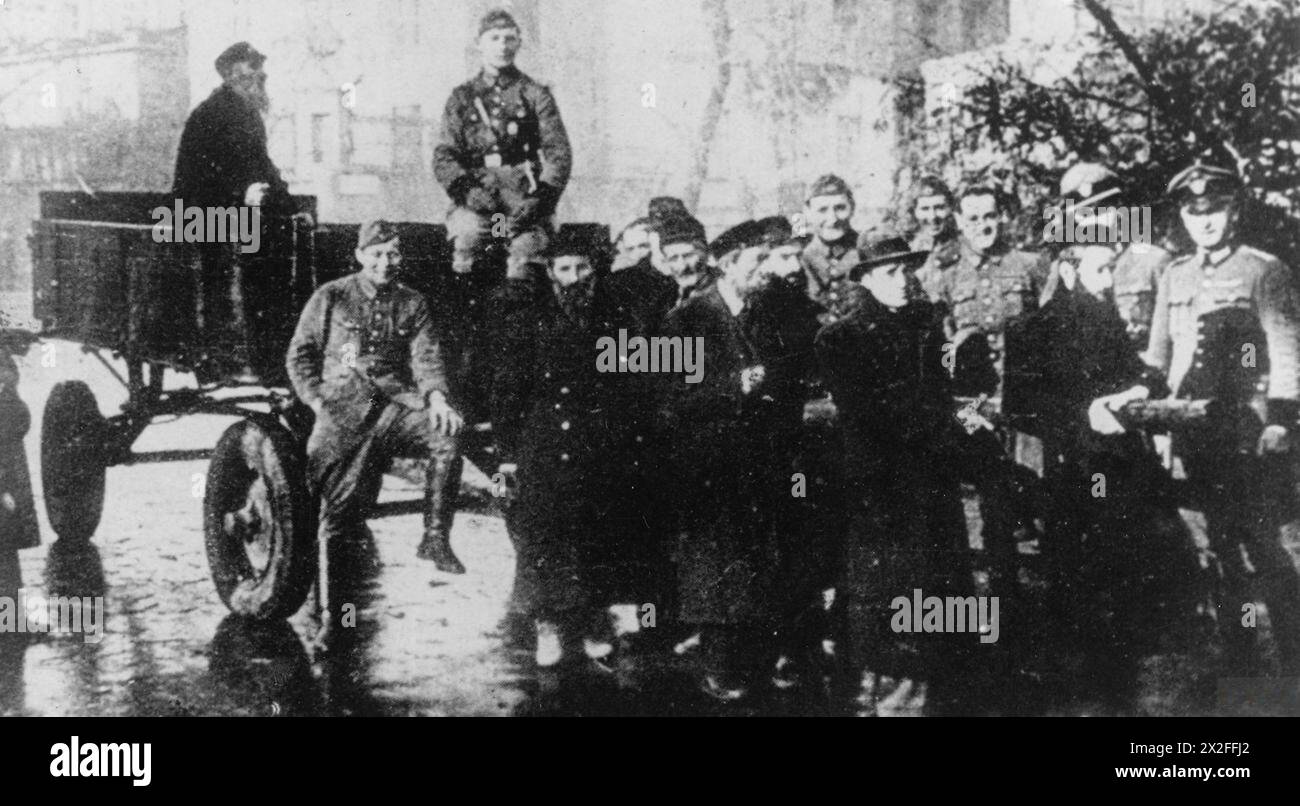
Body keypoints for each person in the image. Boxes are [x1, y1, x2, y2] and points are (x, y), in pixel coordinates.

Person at [1109, 162, 1300, 677]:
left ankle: (1293, 658)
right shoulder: (1175, 275)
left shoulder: (1264, 270)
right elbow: (1157, 358)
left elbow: (1286, 350)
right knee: (1213, 548)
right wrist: (1135, 392)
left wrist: (1280, 419)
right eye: (1195, 214)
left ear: (1233, 210)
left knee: (1263, 545)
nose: (1206, 222)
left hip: (1245, 432)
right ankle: (1239, 659)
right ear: (1183, 219)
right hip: (1189, 435)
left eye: (1215, 210)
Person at [285, 221, 465, 643]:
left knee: (447, 439)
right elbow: (300, 355)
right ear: (361, 255)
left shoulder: (412, 302)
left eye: (393, 254)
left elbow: (427, 357)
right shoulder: (331, 295)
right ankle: (338, 621)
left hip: (393, 409)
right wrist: (316, 401)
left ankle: (435, 539)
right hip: (343, 414)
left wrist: (437, 399)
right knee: (340, 519)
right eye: (377, 254)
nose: (386, 263)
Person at [816, 237, 973, 716]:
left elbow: (949, 393)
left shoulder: (927, 325)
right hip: (883, 500)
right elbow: (874, 420)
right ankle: (882, 704)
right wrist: (947, 424)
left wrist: (966, 416)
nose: (903, 280)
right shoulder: (843, 338)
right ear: (863, 280)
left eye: (908, 270)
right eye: (889, 272)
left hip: (933, 495)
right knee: (890, 618)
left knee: (936, 613)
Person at [659, 220, 807, 701]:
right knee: (717, 564)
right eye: (757, 261)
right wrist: (731, 388)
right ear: (726, 264)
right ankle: (720, 663)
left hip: (766, 458)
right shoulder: (686, 322)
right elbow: (664, 401)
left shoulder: (773, 315)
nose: (767, 269)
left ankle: (768, 656)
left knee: (769, 558)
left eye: (768, 259)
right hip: (710, 466)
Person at [490, 228, 645, 668]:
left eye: (582, 268)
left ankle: (596, 622)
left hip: (597, 442)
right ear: (551, 274)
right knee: (545, 539)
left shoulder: (616, 320)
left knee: (597, 535)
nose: (574, 277)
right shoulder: (528, 320)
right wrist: (507, 455)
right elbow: (507, 391)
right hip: (544, 441)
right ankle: (549, 626)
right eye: (564, 268)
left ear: (594, 272)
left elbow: (633, 384)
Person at [919, 185, 1051, 602]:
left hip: (1026, 398)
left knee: (1039, 496)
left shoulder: (1031, 266)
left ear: (1003, 217)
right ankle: (1002, 597)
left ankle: (1053, 600)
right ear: (958, 221)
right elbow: (935, 345)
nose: (983, 225)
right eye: (973, 218)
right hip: (973, 402)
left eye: (990, 215)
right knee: (992, 507)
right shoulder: (940, 273)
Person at [173, 42, 310, 382]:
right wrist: (240, 195)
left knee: (278, 250)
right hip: (200, 218)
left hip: (238, 215)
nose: (261, 82)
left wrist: (294, 208)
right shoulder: (209, 114)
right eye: (253, 76)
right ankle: (230, 356)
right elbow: (195, 179)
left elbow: (263, 167)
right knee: (247, 262)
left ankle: (276, 350)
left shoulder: (247, 113)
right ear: (234, 77)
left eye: (262, 76)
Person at [434, 9, 572, 278]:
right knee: (468, 240)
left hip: (521, 200)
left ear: (519, 42)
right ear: (479, 44)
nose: (502, 46)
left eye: (509, 38)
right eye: (494, 38)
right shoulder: (462, 98)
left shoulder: (534, 94)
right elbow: (444, 155)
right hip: (480, 200)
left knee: (526, 254)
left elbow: (558, 153)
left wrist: (540, 199)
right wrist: (467, 191)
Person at [1056, 162, 1174, 350]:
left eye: (1102, 210)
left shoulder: (1153, 260)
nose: (1093, 221)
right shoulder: (1067, 268)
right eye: (1083, 214)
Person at [799, 174, 862, 323]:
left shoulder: (867, 250)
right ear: (808, 212)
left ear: (852, 207)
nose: (832, 219)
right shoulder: (801, 258)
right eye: (822, 210)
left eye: (840, 208)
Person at [906, 175, 958, 255]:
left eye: (939, 207)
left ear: (950, 208)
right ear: (914, 212)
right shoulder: (909, 249)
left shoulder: (963, 246)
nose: (932, 216)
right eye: (925, 209)